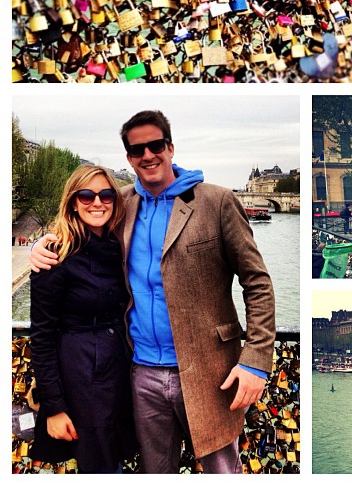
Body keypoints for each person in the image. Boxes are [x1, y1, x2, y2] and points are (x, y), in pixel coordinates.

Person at [30, 110, 276, 474]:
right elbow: (80, 231)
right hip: (140, 372)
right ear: (129, 158)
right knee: (153, 471)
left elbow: (257, 283)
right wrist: (40, 245)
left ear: (170, 147)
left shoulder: (217, 201)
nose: (147, 155)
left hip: (210, 371)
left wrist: (256, 359)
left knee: (223, 470)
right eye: (137, 149)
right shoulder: (121, 204)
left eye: (155, 145)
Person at [29, 165, 137, 473]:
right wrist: (54, 407)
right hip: (83, 378)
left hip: (120, 372)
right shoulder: (55, 253)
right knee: (99, 463)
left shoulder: (120, 245)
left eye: (106, 195)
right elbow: (42, 336)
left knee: (113, 458)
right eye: (86, 195)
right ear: (73, 202)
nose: (97, 202)